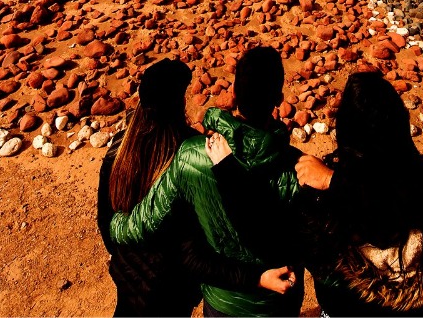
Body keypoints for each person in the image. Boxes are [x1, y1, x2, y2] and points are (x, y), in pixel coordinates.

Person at [109, 46, 303, 317]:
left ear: (233, 95)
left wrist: (115, 224)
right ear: (279, 98)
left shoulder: (193, 154)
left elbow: (146, 222)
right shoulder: (299, 169)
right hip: (278, 302)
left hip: (222, 301)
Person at [252, 71, 423, 316]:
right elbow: (394, 201)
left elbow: (309, 255)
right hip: (418, 306)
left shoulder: (322, 201)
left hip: (345, 308)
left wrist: (331, 180)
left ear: (346, 131)